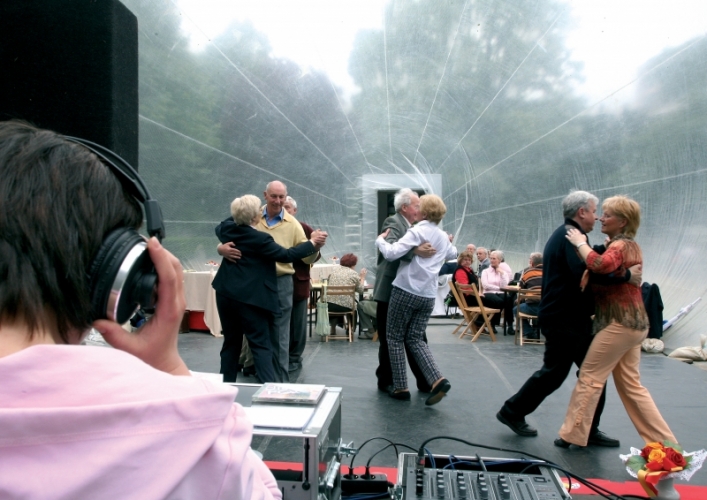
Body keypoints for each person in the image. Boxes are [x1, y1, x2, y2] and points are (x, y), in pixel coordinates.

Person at [0, 120, 280, 499]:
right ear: (115, 273)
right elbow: (260, 490)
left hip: (229, 298)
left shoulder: (227, 229)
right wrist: (171, 372)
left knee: (231, 347)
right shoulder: (197, 439)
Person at [496, 190, 639, 447]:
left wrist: (598, 250)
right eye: (595, 211)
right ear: (581, 212)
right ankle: (518, 412)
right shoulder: (571, 238)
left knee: (574, 373)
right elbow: (585, 273)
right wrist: (626, 276)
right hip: (566, 318)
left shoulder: (568, 237)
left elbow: (583, 266)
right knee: (577, 373)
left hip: (565, 317)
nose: (597, 218)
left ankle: (579, 426)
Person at [557, 196, 676, 448]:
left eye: (608, 214)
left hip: (618, 323)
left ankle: (573, 434)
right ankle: (665, 444)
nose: (601, 217)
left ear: (622, 222)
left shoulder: (621, 247)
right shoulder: (625, 245)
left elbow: (599, 265)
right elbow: (610, 269)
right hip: (634, 324)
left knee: (590, 376)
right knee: (632, 386)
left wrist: (580, 243)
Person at [213, 195, 326, 383]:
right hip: (250, 297)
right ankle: (270, 388)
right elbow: (287, 254)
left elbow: (222, 224)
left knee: (231, 343)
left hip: (225, 293)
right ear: (254, 218)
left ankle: (226, 387)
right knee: (261, 344)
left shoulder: (226, 229)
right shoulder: (260, 239)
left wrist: (220, 248)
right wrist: (312, 243)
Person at [376, 194, 457, 406]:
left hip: (406, 290)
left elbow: (392, 253)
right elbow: (453, 253)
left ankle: (401, 386)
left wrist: (379, 240)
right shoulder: (440, 235)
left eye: (419, 206)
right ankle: (438, 379)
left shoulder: (417, 231)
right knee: (415, 339)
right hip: (428, 295)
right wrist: (446, 244)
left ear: (425, 212)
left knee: (393, 337)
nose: (417, 208)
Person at [372, 188, 436, 394]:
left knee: (412, 337)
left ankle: (425, 380)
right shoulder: (393, 222)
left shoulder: (413, 226)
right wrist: (416, 250)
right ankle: (388, 380)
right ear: (405, 207)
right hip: (391, 290)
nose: (420, 209)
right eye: (417, 205)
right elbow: (391, 248)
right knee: (392, 338)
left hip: (406, 291)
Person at [283, 195, 319, 373]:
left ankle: (294, 357)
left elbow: (315, 254)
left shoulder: (303, 227)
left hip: (298, 283)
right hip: (276, 284)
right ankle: (281, 357)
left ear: (295, 211)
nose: (285, 210)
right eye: (282, 206)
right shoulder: (272, 226)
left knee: (297, 324)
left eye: (288, 207)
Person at [326, 253, 366, 332]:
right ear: (353, 264)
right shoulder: (354, 274)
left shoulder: (333, 272)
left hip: (330, 305)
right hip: (345, 307)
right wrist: (362, 277)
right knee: (349, 304)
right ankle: (350, 329)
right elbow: (361, 290)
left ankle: (333, 327)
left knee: (337, 301)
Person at [480, 250, 515, 334]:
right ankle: (493, 324)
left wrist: (502, 273)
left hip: (501, 293)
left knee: (509, 299)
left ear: (499, 260)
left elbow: (504, 285)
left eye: (494, 259)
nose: (492, 260)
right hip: (488, 293)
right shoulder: (486, 271)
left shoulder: (503, 272)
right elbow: (485, 285)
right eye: (491, 258)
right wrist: (498, 288)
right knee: (499, 301)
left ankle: (510, 325)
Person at [512, 252, 543, 340]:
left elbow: (521, 288)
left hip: (533, 307)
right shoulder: (551, 271)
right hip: (548, 308)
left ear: (532, 263)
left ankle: (529, 332)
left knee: (516, 309)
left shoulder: (527, 272)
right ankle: (537, 329)